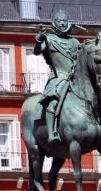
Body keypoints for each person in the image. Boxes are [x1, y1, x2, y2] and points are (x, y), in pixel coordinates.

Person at [33, 8, 81, 142]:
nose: (62, 23)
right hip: (58, 77)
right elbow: (37, 52)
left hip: (75, 78)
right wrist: (38, 39)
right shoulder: (49, 39)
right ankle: (51, 133)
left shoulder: (75, 42)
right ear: (55, 23)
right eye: (59, 21)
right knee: (53, 102)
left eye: (65, 20)